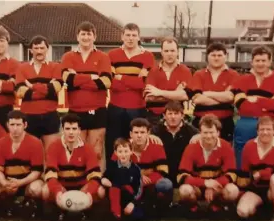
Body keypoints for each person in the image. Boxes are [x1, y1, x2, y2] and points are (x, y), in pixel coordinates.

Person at [60, 21, 112, 162]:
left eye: (89, 34)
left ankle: (96, 181)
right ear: (77, 37)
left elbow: (105, 83)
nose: (86, 37)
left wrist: (77, 79)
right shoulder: (68, 57)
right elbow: (67, 80)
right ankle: (79, 181)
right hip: (76, 110)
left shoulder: (103, 57)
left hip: (98, 110)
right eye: (83, 34)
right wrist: (92, 77)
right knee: (77, 151)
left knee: (96, 151)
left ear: (94, 37)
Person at [105, 23, 155, 168]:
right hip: (115, 107)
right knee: (113, 143)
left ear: (139, 37)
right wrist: (133, 80)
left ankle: (133, 173)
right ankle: (113, 174)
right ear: (122, 36)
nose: (130, 38)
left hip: (137, 108)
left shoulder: (147, 56)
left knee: (136, 143)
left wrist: (121, 77)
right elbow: (111, 82)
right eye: (127, 35)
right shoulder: (112, 55)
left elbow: (143, 84)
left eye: (134, 35)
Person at [41, 113, 105, 220]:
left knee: (100, 191)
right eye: (68, 128)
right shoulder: (54, 147)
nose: (71, 132)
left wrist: (88, 192)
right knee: (45, 191)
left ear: (79, 130)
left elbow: (95, 176)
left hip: (81, 188)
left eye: (74, 129)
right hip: (62, 187)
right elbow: (50, 175)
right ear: (62, 130)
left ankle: (86, 212)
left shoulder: (87, 148)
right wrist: (58, 192)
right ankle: (58, 212)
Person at [231, 46, 274, 167]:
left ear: (269, 62)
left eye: (264, 60)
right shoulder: (242, 80)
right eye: (257, 60)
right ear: (252, 62)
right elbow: (241, 105)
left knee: (266, 155)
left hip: (267, 122)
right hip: (246, 122)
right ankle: (242, 180)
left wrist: (256, 99)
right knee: (242, 154)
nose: (260, 64)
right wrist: (266, 101)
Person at [0, 110, 44, 216]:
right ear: (7, 125)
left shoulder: (35, 143)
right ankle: (6, 205)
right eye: (12, 125)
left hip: (28, 181)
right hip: (7, 180)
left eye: (18, 125)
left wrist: (20, 182)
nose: (15, 128)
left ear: (25, 125)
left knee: (37, 189)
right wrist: (4, 182)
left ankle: (31, 205)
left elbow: (37, 171)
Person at [177, 114, 238, 213]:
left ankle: (217, 204)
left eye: (211, 132)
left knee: (233, 190)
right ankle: (193, 207)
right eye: (205, 132)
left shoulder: (226, 146)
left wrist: (213, 186)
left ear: (218, 132)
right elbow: (182, 176)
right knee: (184, 190)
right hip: (196, 187)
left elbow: (232, 175)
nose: (208, 136)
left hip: (217, 186)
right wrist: (205, 183)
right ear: (200, 132)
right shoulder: (191, 147)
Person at [236, 116, 274, 221]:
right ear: (257, 131)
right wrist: (241, 194)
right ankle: (264, 209)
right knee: (242, 212)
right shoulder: (249, 146)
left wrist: (261, 173)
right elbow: (244, 173)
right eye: (262, 129)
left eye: (268, 129)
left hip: (273, 189)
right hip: (256, 189)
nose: (265, 132)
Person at [15, 35, 62, 151]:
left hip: (50, 116)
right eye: (36, 48)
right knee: (30, 154)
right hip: (28, 116)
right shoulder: (22, 68)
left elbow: (56, 88)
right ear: (30, 50)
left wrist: (31, 86)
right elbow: (21, 92)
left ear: (47, 49)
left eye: (42, 48)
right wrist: (46, 88)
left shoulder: (56, 67)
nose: (39, 51)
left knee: (51, 154)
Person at [121, 118, 173, 218]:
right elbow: (114, 171)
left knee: (165, 184)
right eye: (136, 132)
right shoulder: (122, 148)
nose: (139, 136)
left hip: (150, 185)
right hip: (130, 186)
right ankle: (140, 209)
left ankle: (161, 209)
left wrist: (142, 180)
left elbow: (163, 172)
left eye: (142, 132)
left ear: (148, 133)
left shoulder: (157, 147)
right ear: (131, 134)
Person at [189, 43, 239, 142]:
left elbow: (230, 98)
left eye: (219, 55)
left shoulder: (233, 75)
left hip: (225, 122)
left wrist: (206, 93)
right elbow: (198, 99)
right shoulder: (199, 74)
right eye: (213, 55)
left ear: (226, 56)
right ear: (207, 57)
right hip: (201, 121)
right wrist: (223, 97)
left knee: (224, 153)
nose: (216, 58)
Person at [143, 36, 193, 126]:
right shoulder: (153, 71)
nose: (169, 54)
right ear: (161, 52)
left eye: (172, 51)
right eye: (166, 51)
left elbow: (185, 96)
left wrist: (159, 92)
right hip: (155, 117)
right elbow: (149, 98)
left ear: (178, 52)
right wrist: (175, 94)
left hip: (177, 116)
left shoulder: (185, 71)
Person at [151, 100, 199, 187]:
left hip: (184, 173)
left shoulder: (192, 132)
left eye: (176, 113)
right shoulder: (155, 132)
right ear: (164, 116)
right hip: (162, 175)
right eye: (170, 114)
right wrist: (149, 136)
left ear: (182, 116)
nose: (173, 117)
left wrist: (199, 136)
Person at [102, 138, 143, 220]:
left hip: (129, 196)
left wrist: (133, 203)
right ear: (115, 153)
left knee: (139, 215)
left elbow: (139, 189)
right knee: (114, 188)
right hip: (115, 195)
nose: (123, 155)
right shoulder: (112, 166)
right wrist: (106, 181)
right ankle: (116, 213)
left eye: (126, 151)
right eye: (120, 151)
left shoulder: (135, 169)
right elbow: (104, 178)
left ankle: (125, 212)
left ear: (131, 152)